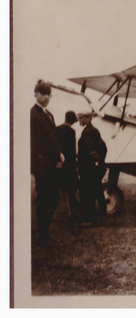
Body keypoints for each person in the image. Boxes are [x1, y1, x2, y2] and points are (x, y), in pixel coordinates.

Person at [31, 80, 64, 246]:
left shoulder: (49, 114)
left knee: (54, 197)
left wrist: (59, 155)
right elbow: (38, 142)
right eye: (42, 93)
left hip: (52, 162)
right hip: (42, 163)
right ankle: (43, 236)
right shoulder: (33, 115)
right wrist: (56, 156)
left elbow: (54, 138)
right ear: (35, 94)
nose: (45, 97)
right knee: (44, 198)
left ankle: (45, 228)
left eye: (48, 94)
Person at [77, 110, 108, 224]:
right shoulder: (94, 130)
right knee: (97, 190)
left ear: (88, 118)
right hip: (94, 168)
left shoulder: (88, 132)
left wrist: (91, 164)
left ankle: (89, 217)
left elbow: (90, 150)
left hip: (88, 169)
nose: (79, 120)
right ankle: (102, 214)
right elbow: (103, 148)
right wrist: (100, 162)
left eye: (81, 118)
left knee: (85, 192)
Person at [57, 111, 80, 221]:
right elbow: (71, 150)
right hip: (69, 164)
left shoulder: (57, 128)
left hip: (60, 163)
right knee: (71, 189)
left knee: (60, 188)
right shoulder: (71, 131)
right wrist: (74, 164)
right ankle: (71, 213)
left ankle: (57, 213)